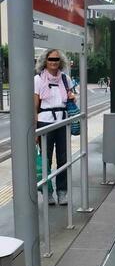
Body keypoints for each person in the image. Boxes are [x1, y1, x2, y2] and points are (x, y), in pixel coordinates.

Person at [34, 48, 76, 205]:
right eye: (51, 59)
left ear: (61, 61)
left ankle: (62, 191)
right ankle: (47, 192)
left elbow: (70, 100)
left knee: (63, 159)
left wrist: (72, 97)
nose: (53, 62)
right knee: (45, 159)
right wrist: (35, 130)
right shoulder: (38, 79)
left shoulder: (65, 79)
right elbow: (34, 107)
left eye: (56, 59)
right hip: (45, 123)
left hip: (62, 122)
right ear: (45, 61)